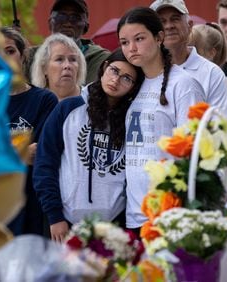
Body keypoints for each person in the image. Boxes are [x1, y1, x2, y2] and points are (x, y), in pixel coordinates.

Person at [33, 49, 144, 242]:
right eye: (114, 71)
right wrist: (54, 216)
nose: (116, 80)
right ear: (104, 68)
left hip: (113, 228)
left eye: (127, 78)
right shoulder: (68, 109)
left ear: (134, 87)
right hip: (65, 224)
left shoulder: (132, 119)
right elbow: (45, 163)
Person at [117, 7, 205, 235]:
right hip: (135, 212)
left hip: (171, 213)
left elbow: (194, 152)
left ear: (159, 37)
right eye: (124, 42)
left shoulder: (183, 84)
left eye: (139, 39)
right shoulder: (131, 85)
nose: (131, 48)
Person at [0, 27, 59, 235]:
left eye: (9, 51)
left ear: (22, 54)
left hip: (32, 209)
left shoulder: (44, 99)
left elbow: (39, 154)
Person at [151, 0, 227, 117]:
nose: (169, 26)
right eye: (162, 21)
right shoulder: (145, 71)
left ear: (189, 25)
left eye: (175, 19)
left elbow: (222, 124)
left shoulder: (211, 73)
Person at [23, 0, 110, 84]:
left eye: (75, 18)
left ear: (85, 27)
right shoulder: (29, 56)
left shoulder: (99, 58)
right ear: (50, 23)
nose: (67, 24)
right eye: (61, 17)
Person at [31, 33, 86, 101]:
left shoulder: (92, 99)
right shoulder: (34, 103)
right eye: (59, 59)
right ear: (44, 68)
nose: (67, 65)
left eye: (73, 59)